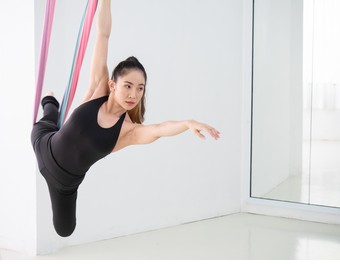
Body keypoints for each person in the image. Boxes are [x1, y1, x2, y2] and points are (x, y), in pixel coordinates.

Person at [31, 0, 220, 237]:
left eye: (140, 88)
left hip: (64, 184)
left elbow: (160, 128)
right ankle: (50, 103)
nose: (134, 94)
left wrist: (187, 123)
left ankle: (51, 106)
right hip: (43, 144)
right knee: (48, 118)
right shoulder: (98, 89)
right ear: (113, 84)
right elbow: (103, 35)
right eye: (128, 86)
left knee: (64, 230)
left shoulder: (128, 131)